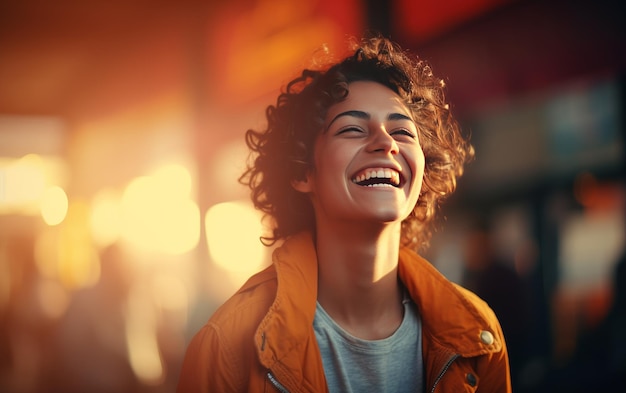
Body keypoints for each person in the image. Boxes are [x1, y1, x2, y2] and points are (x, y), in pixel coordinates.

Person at [177, 35, 511, 392]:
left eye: (402, 130)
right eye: (352, 128)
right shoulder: (228, 345)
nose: (387, 142)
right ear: (302, 172)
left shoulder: (478, 335)